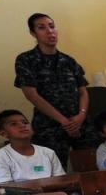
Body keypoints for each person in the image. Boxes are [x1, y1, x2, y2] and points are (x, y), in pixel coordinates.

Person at [14, 13, 97, 168]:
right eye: (42, 27)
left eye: (52, 26)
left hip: (80, 124)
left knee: (91, 169)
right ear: (33, 33)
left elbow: (83, 91)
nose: (49, 31)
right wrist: (64, 121)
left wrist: (81, 115)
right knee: (54, 172)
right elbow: (31, 95)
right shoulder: (26, 60)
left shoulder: (69, 61)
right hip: (49, 127)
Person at [0, 109, 65, 183]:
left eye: (25, 122)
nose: (22, 125)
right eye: (13, 124)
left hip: (53, 194)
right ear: (3, 133)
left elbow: (60, 180)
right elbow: (5, 189)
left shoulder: (48, 153)